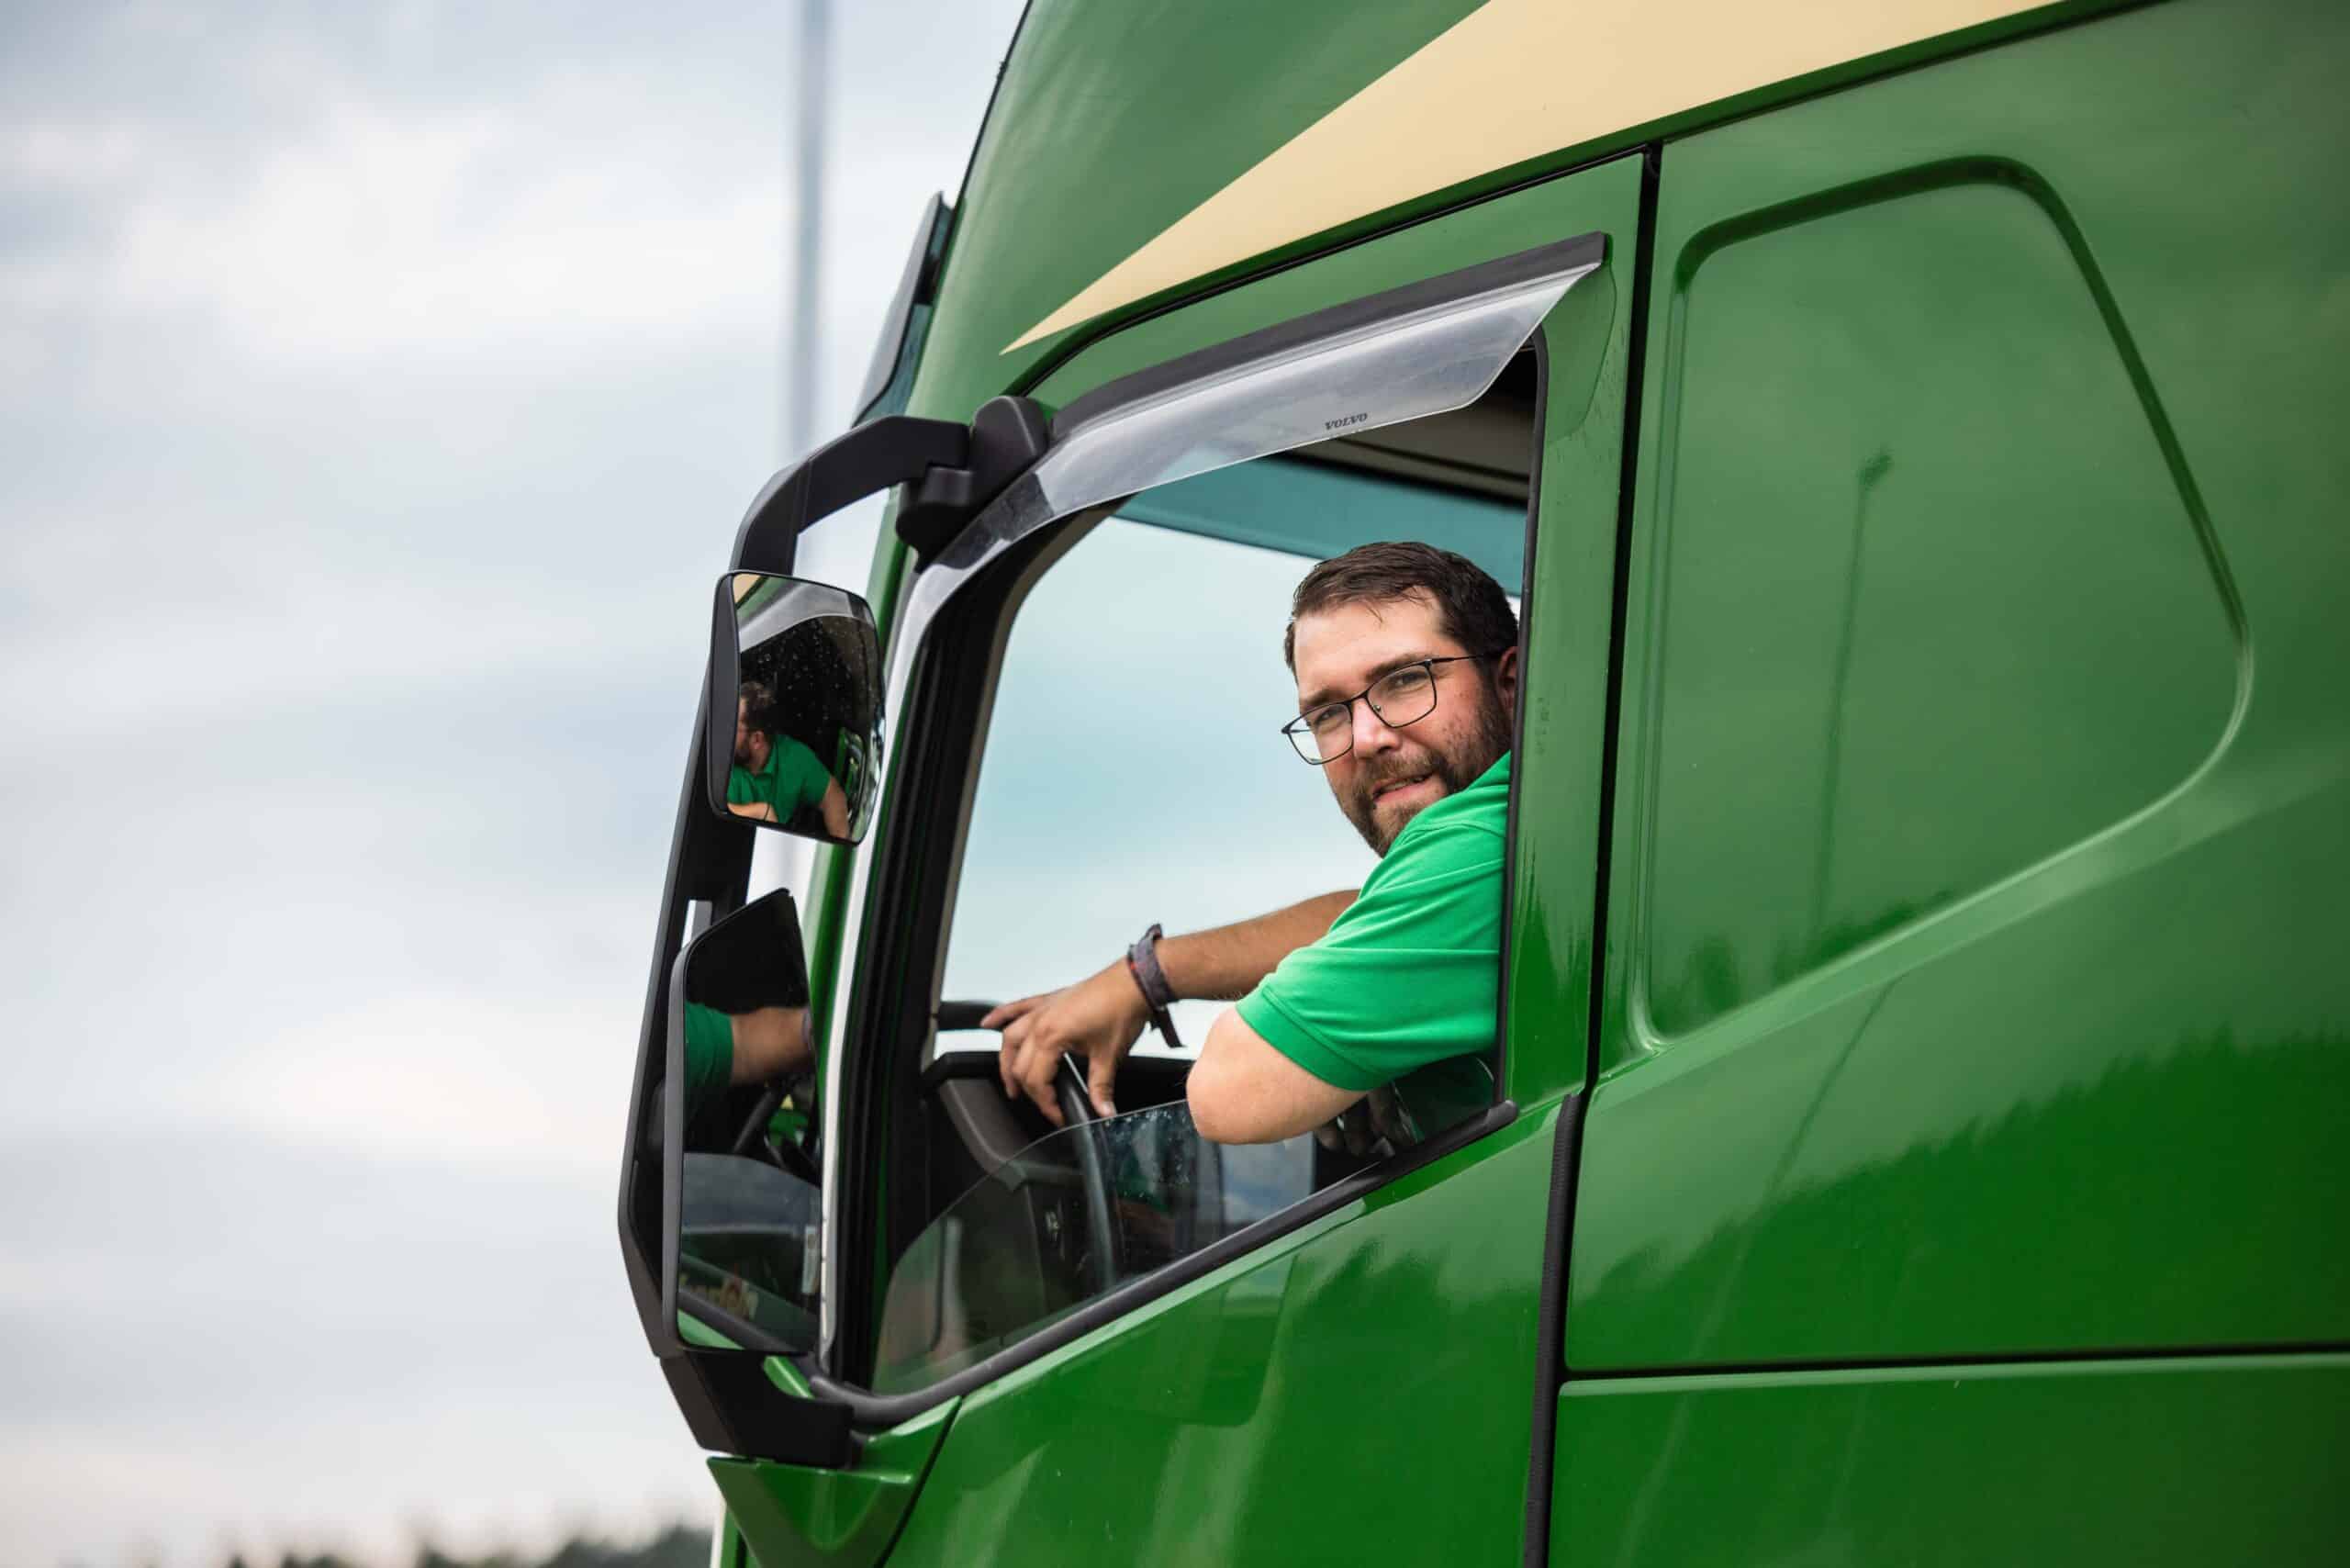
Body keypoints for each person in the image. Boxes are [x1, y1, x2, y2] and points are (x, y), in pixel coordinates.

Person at [987, 540, 1519, 1145]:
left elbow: (1232, 1094)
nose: (1367, 737)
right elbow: (1377, 910)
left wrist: (1363, 1055)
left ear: (1509, 682)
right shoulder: (1520, 843)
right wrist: (1148, 974)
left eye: (1404, 681)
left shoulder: (1481, 840)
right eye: (1328, 714)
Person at [728, 679, 852, 839]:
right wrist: (759, 812)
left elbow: (832, 795)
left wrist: (840, 840)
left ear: (757, 739)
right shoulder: (723, 759)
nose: (723, 732)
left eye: (732, 726)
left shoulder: (794, 757)